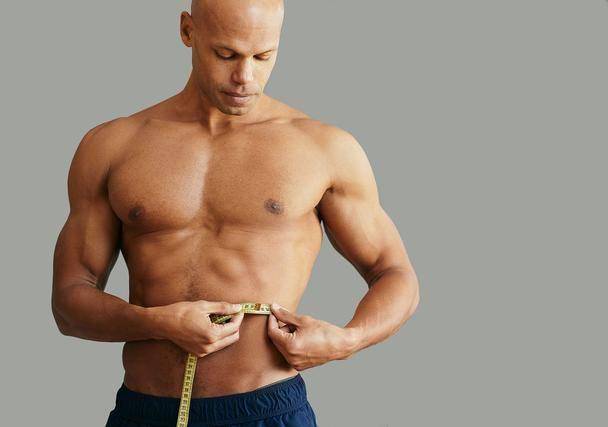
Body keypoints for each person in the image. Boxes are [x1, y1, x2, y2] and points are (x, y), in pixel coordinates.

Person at [51, 0, 420, 425]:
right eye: (226, 55)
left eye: (263, 57)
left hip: (267, 409)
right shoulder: (113, 146)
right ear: (188, 32)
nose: (245, 77)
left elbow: (395, 273)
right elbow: (69, 302)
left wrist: (347, 340)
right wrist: (155, 322)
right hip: (144, 410)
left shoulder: (323, 148)